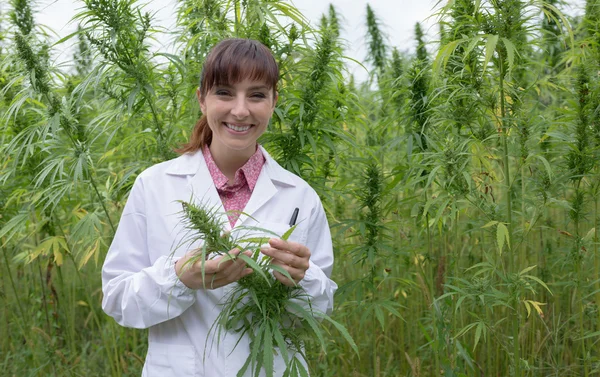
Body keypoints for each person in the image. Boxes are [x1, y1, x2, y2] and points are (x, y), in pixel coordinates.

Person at [101, 38, 337, 377]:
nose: (240, 110)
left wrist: (301, 279)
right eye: (224, 93)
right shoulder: (154, 186)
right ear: (202, 99)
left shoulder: (300, 197)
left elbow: (320, 306)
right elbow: (117, 299)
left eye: (257, 95)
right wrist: (177, 279)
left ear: (273, 103)